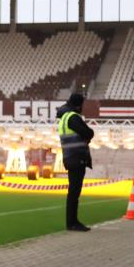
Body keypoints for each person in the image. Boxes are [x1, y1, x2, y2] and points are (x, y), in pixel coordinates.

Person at [55, 92, 95, 231]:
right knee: (74, 192)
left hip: (69, 157)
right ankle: (72, 223)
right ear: (78, 105)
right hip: (77, 157)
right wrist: (88, 135)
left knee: (73, 191)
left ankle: (71, 222)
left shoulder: (64, 118)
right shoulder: (73, 117)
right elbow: (88, 133)